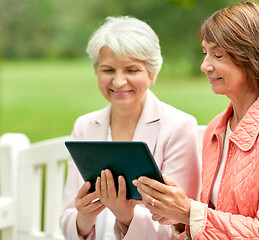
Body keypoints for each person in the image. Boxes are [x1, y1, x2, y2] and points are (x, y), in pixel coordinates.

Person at [133, 2, 259, 239]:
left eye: (218, 55)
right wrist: (179, 214)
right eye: (205, 53)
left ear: (255, 56)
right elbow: (216, 216)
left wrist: (189, 212)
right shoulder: (217, 128)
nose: (205, 66)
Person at [60, 16, 201, 240]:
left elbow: (180, 225)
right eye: (108, 70)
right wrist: (84, 218)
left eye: (132, 70)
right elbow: (68, 216)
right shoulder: (85, 126)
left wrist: (126, 216)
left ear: (152, 74)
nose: (118, 82)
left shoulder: (179, 127)